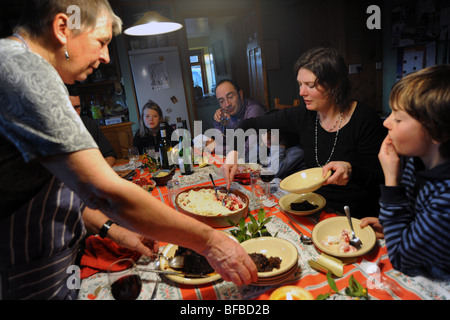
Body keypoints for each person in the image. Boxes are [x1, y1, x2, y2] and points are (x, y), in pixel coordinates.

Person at [0, 0, 257, 300]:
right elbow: (104, 192)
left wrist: (119, 232)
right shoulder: (25, 70)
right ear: (62, 29)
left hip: (53, 266)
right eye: (102, 41)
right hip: (26, 277)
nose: (106, 56)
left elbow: (71, 194)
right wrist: (211, 242)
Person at [222, 47, 386, 218]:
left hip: (355, 215)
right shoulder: (305, 115)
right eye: (300, 84)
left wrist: (352, 171)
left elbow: (381, 178)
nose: (301, 92)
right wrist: (233, 154)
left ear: (335, 84)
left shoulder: (365, 119)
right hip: (315, 207)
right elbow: (249, 124)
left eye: (310, 85)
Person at [360, 65, 450, 280]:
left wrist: (392, 180)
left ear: (435, 130)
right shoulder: (415, 162)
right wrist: (394, 228)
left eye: (398, 119)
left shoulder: (445, 197)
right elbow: (412, 219)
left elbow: (402, 259)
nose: (386, 122)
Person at [212, 79, 266, 158]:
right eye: (221, 101)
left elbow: (245, 149)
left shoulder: (254, 110)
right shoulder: (229, 114)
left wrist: (216, 148)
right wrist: (218, 122)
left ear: (240, 94)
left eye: (230, 97)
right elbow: (223, 141)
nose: (227, 104)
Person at [69, 93, 117, 166]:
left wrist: (101, 172)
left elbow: (109, 155)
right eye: (68, 107)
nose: (74, 112)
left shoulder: (88, 124)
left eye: (77, 107)